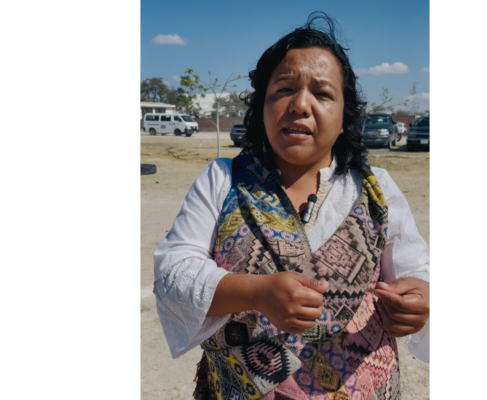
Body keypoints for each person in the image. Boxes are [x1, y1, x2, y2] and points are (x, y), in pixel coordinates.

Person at [153, 12, 429, 400]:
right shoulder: (222, 179)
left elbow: (415, 271)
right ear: (262, 104)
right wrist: (255, 292)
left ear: (344, 116)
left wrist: (419, 299)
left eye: (322, 93)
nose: (300, 104)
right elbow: (173, 273)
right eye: (284, 89)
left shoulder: (376, 188)